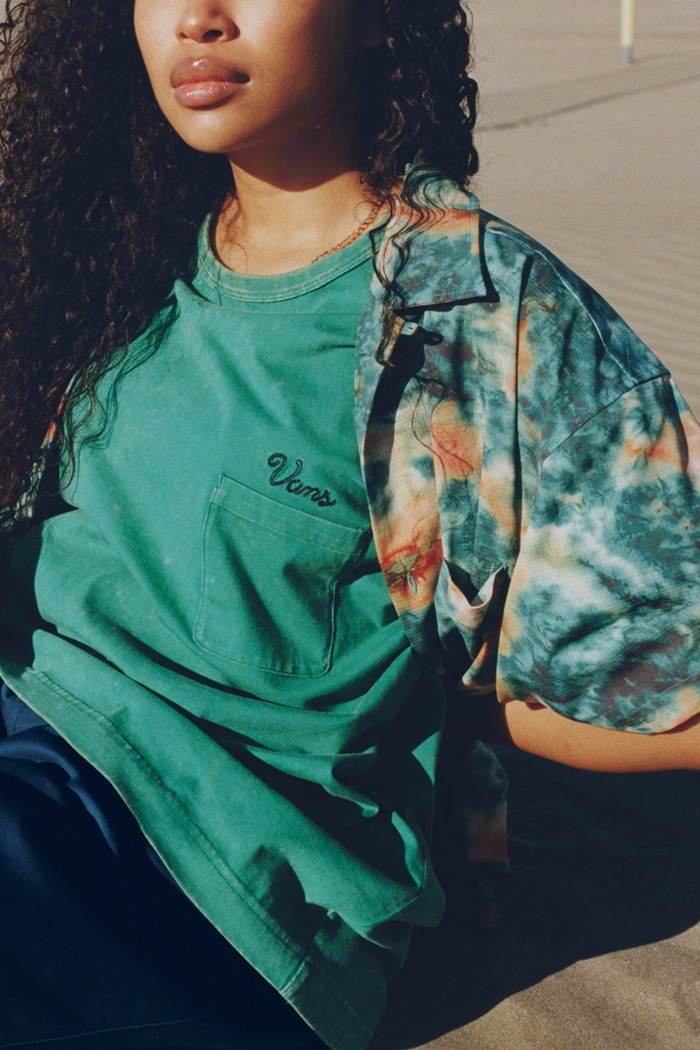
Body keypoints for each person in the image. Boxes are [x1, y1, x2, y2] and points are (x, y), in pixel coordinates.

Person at [0, 2, 698, 1049]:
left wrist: (434, 694)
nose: (198, 18)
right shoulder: (114, 239)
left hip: (208, 872)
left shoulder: (471, 320)